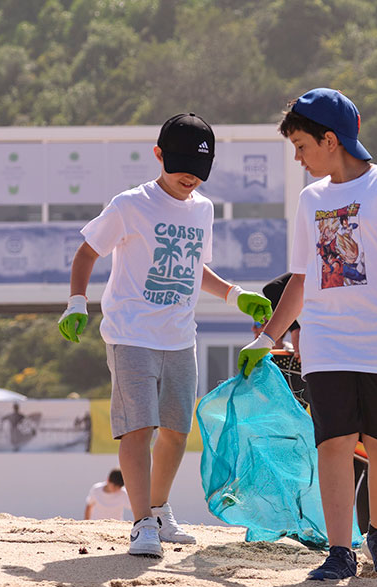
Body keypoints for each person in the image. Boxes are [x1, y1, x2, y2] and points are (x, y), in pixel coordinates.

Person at [238, 88, 377, 580]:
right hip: (326, 343)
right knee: (335, 445)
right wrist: (268, 338)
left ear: (331, 140)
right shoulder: (311, 200)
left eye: (302, 146)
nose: (299, 158)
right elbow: (302, 278)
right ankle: (340, 550)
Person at [58, 112, 272, 558]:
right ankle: (141, 525)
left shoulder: (203, 209)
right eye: (180, 167)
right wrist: (77, 302)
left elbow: (194, 268)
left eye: (199, 171)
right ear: (158, 155)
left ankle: (158, 510)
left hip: (180, 337)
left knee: (175, 431)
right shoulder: (130, 204)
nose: (189, 178)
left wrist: (235, 295)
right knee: (139, 429)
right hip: (131, 333)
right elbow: (86, 251)